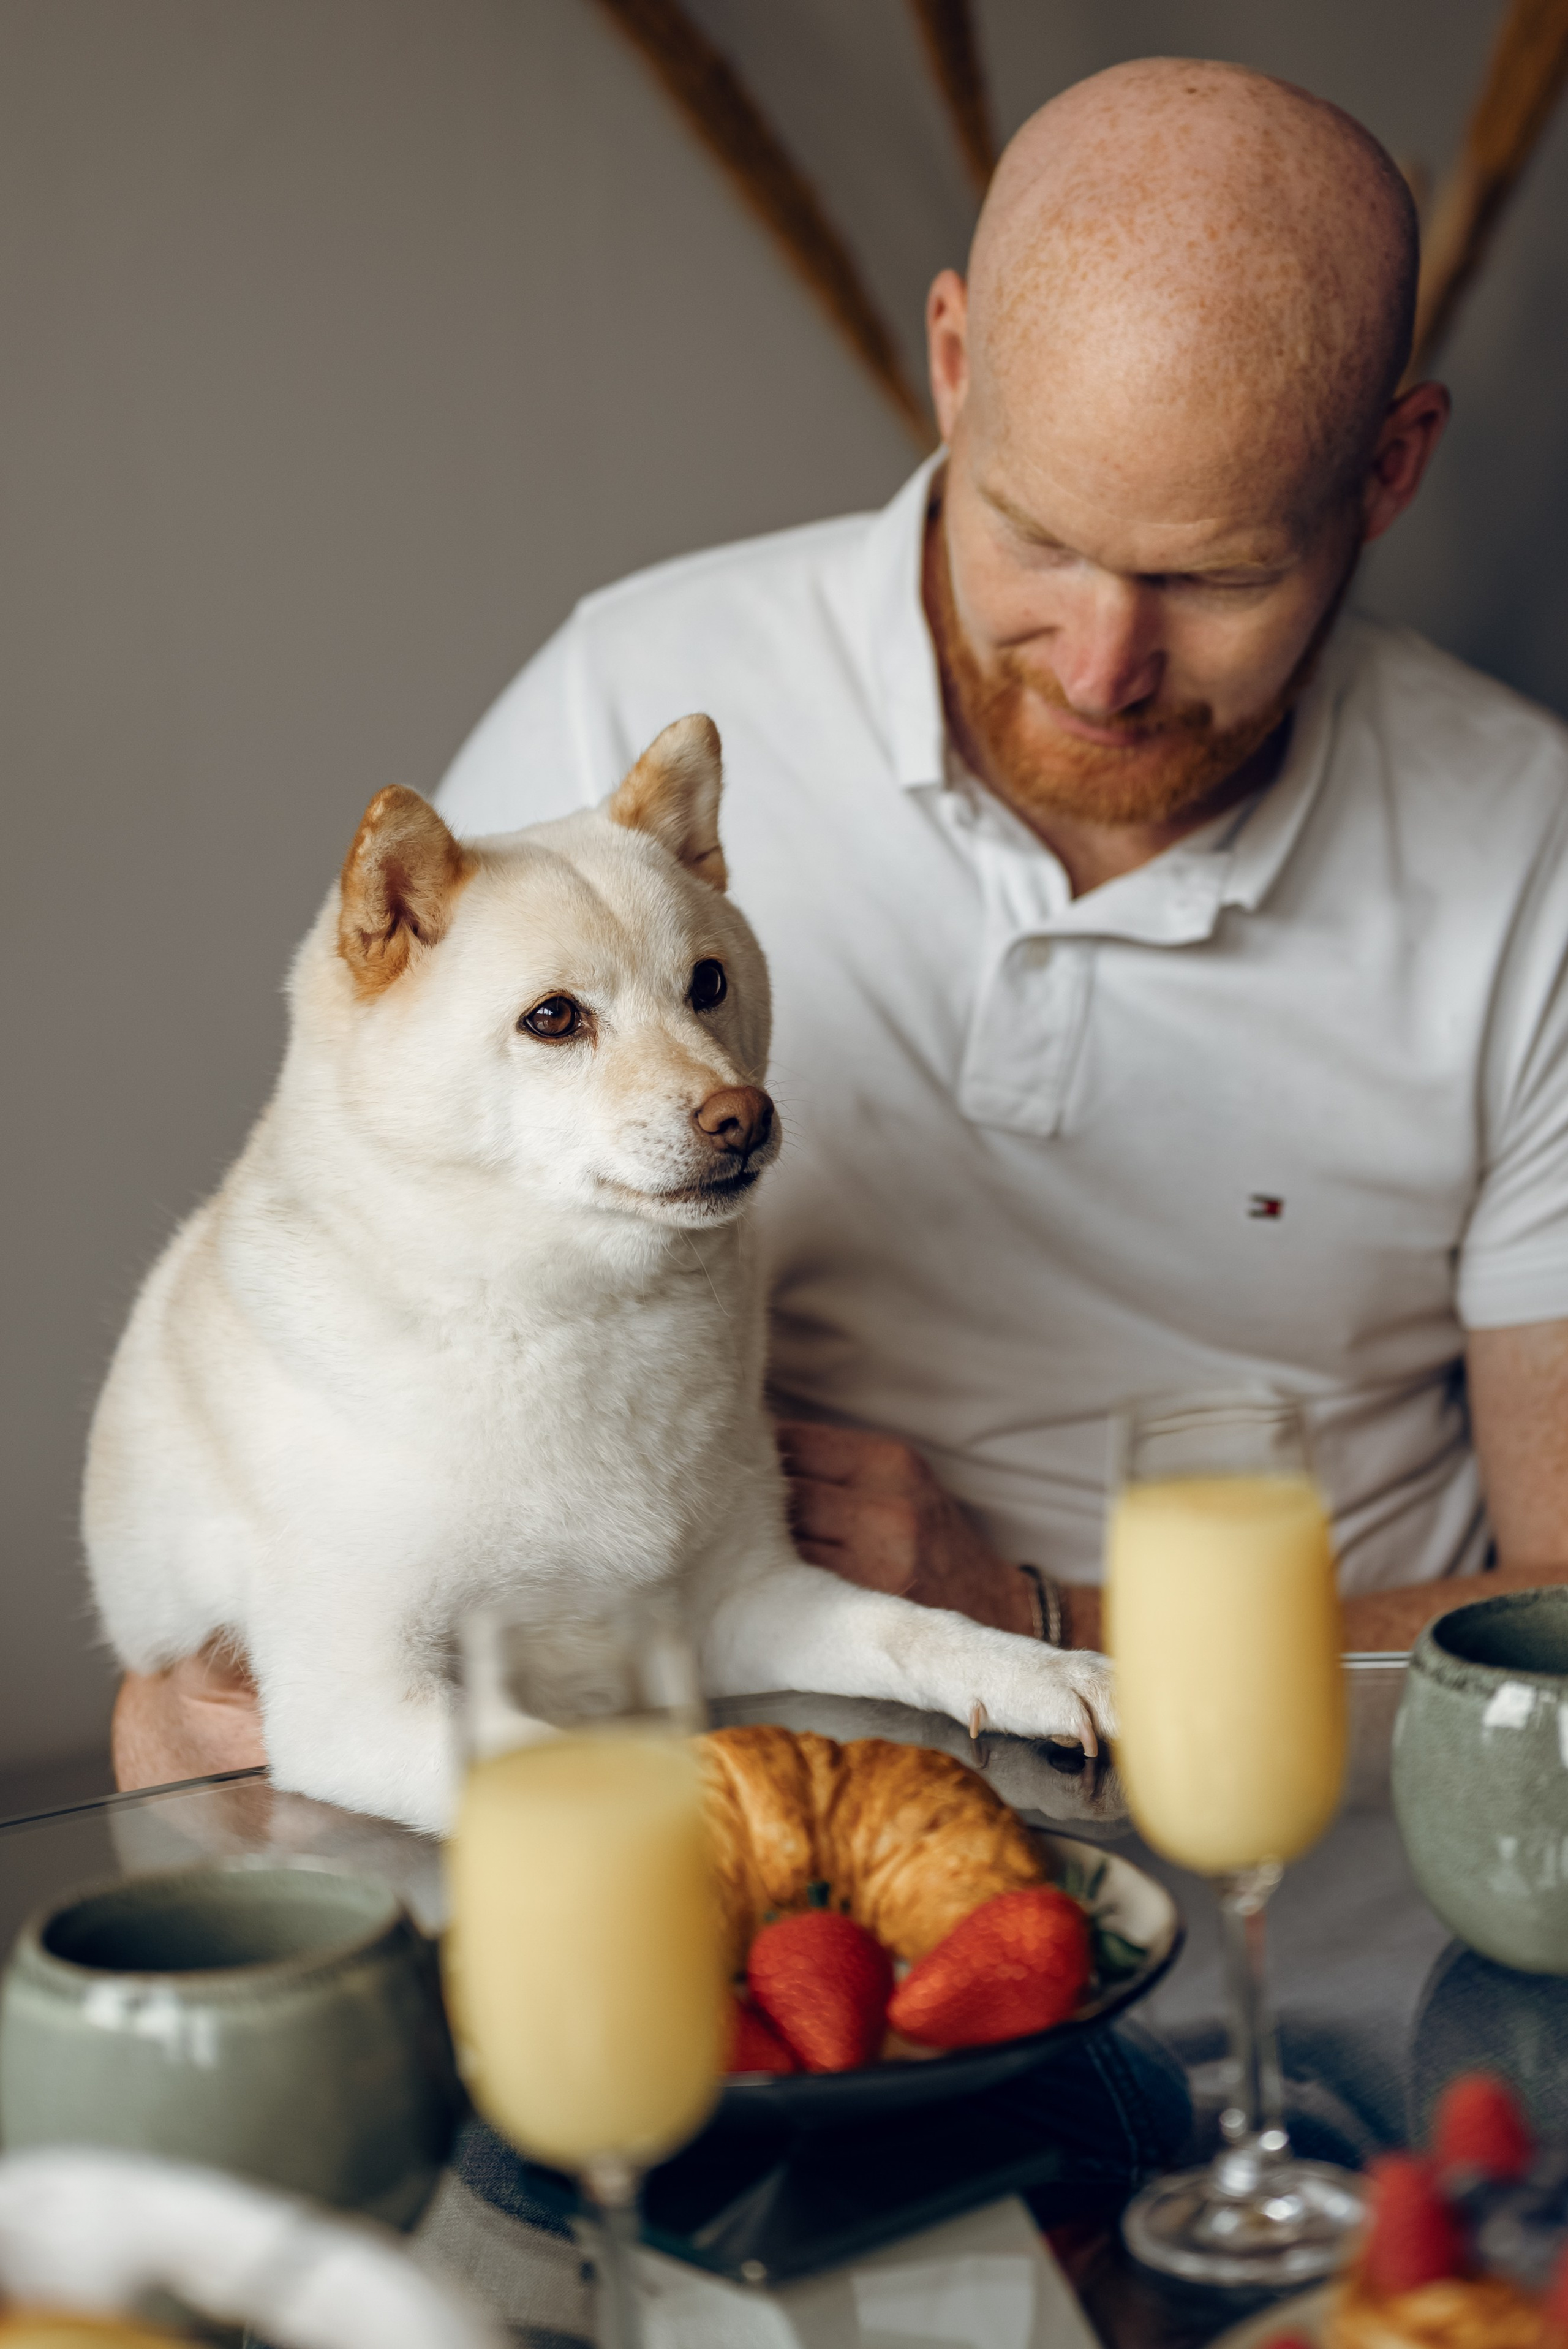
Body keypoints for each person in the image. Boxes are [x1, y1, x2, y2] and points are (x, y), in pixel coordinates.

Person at [114, 56, 1568, 1788]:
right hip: (721, 1828)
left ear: (1393, 469)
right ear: (953, 362)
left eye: (1217, 575)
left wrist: (1047, 1611)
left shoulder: (1531, 859)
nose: (1106, 664)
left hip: (1299, 1817)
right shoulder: (621, 708)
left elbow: (1562, 1599)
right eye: (1036, 532)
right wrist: (217, 1684)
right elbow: (348, 1286)